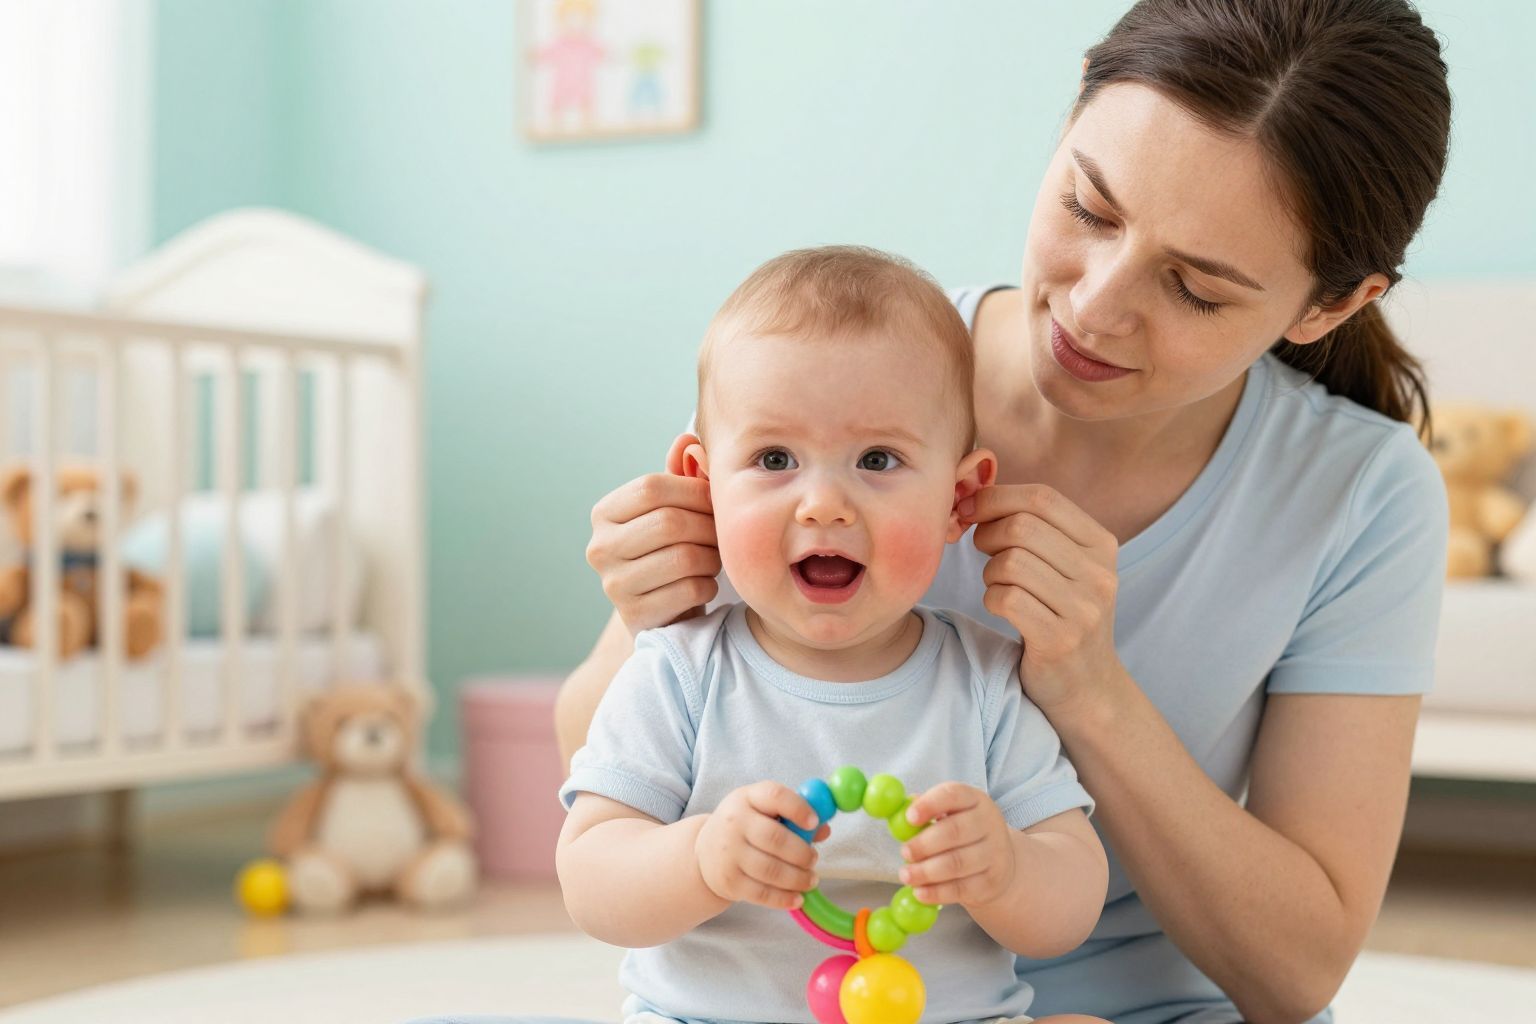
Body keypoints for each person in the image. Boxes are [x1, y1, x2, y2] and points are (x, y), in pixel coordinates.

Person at [565, 2, 1453, 1022]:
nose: (1095, 305)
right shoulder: (824, 378)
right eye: (1090, 207)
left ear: (1329, 306)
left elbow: (1295, 973)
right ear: (1075, 99)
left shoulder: (1361, 492)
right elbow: (606, 789)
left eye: (1197, 289)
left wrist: (1091, 689)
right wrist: (643, 620)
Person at [557, 246, 1110, 1024]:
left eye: (877, 459)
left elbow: (1072, 902)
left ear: (958, 500)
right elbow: (590, 880)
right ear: (703, 483)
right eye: (774, 458)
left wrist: (1007, 868)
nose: (823, 504)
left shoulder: (983, 679)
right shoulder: (679, 671)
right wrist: (702, 857)